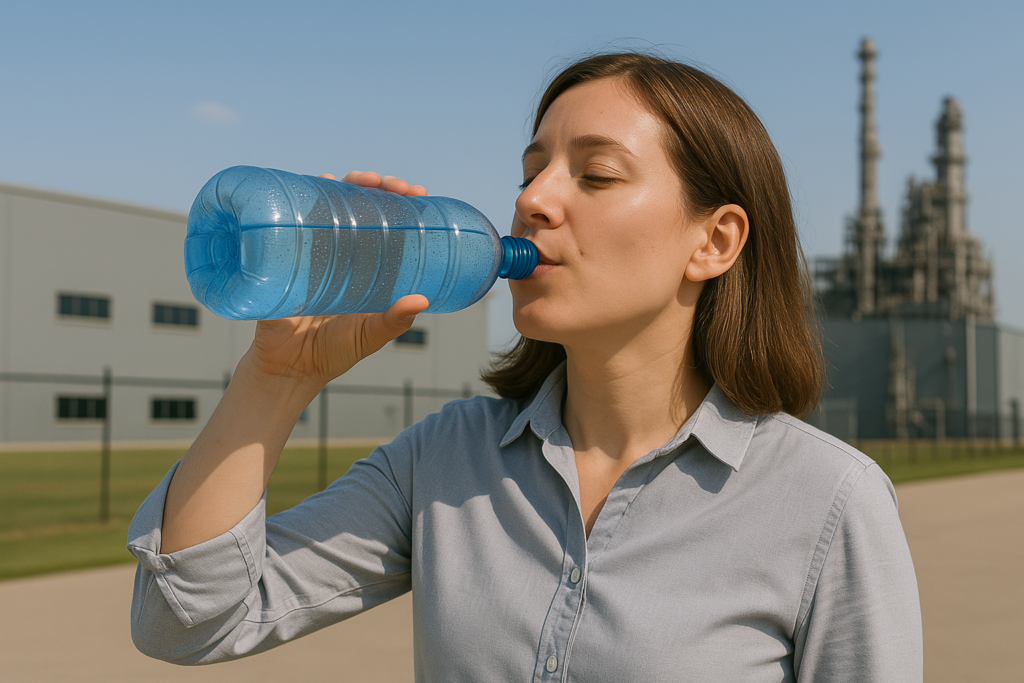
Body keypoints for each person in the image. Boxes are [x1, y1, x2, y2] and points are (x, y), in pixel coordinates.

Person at [128, 52, 923, 681]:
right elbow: (189, 620)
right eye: (530, 169)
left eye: (596, 173)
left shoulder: (826, 502)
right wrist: (279, 374)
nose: (534, 199)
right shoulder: (445, 459)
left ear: (712, 241)